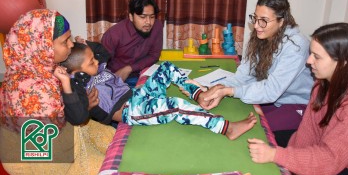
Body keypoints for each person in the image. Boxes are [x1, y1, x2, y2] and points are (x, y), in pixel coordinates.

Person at [59, 40, 257, 140]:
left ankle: (200, 95)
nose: (97, 62)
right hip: (131, 111)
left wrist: (87, 45)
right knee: (176, 106)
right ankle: (225, 127)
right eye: (91, 62)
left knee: (167, 67)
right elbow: (76, 113)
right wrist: (68, 80)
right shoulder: (78, 85)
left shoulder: (96, 67)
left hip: (137, 95)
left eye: (94, 59)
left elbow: (104, 53)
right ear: (76, 71)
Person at [248, 23, 348, 175]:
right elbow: (307, 132)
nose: (308, 61)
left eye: (317, 56)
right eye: (310, 53)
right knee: (269, 142)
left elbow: (331, 159)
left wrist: (277, 156)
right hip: (328, 153)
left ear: (343, 62)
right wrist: (293, 167)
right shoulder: (321, 84)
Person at [0, 9, 115, 175]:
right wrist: (82, 111)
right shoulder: (33, 92)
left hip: (59, 131)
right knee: (106, 170)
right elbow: (49, 151)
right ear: (43, 46)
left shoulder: (40, 65)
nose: (71, 45)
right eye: (64, 41)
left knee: (114, 138)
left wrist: (82, 109)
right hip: (38, 158)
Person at [189, 0, 314, 145]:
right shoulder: (261, 36)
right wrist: (216, 87)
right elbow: (245, 74)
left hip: (295, 104)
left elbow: (271, 91)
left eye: (264, 21)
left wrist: (229, 91)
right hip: (274, 99)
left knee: (256, 132)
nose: (256, 26)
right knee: (237, 116)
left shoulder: (296, 46)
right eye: (255, 18)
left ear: (282, 21)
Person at [101, 0, 163, 88]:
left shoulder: (157, 26)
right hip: (117, 79)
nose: (148, 22)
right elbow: (101, 66)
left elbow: (154, 55)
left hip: (144, 73)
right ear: (131, 17)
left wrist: (129, 68)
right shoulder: (113, 35)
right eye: (143, 17)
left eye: (152, 17)